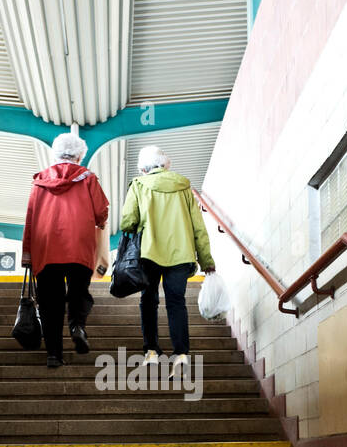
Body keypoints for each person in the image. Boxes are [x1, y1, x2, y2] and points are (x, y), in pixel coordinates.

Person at [119, 145, 215, 372]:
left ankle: (151, 351)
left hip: (149, 254)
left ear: (143, 168)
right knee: (176, 303)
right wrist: (207, 260)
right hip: (180, 256)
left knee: (149, 301)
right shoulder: (183, 186)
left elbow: (127, 222)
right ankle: (181, 355)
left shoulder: (139, 185)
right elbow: (198, 227)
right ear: (165, 164)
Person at [21, 132, 109, 368]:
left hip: (46, 248)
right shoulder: (88, 178)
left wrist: (27, 253)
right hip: (79, 245)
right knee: (79, 291)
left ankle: (54, 355)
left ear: (56, 154)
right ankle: (77, 326)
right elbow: (101, 211)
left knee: (50, 302)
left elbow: (30, 219)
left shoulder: (39, 181)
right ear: (80, 155)